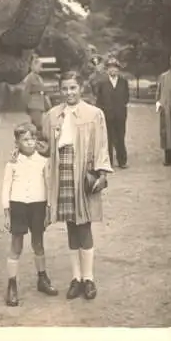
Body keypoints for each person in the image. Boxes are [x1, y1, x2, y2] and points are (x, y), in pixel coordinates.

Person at [42, 71, 113, 300]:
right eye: (65, 89)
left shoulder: (94, 114)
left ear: (80, 88)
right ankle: (76, 278)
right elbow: (45, 146)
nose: (69, 93)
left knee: (85, 224)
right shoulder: (53, 115)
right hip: (62, 168)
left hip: (84, 170)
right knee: (71, 224)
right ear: (59, 90)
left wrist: (101, 172)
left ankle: (89, 278)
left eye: (73, 88)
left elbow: (102, 145)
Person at [2, 122, 58, 307]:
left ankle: (42, 279)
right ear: (17, 142)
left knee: (38, 243)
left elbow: (49, 185)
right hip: (18, 205)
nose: (30, 142)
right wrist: (7, 212)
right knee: (16, 245)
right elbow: (6, 187)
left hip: (38, 205)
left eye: (33, 138)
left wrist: (49, 207)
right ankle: (12, 285)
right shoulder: (12, 162)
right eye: (25, 139)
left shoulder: (43, 161)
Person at [94, 57, 130, 168]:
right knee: (108, 138)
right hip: (107, 114)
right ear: (107, 70)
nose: (113, 70)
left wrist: (120, 107)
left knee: (120, 137)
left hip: (120, 114)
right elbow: (99, 99)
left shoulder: (123, 82)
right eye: (110, 68)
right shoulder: (102, 83)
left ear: (118, 70)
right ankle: (108, 161)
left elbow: (126, 97)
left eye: (115, 68)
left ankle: (122, 161)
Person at [23, 54, 52, 133]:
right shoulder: (30, 78)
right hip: (33, 104)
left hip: (40, 105)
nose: (40, 69)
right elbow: (26, 92)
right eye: (39, 66)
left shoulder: (39, 78)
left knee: (37, 126)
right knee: (38, 126)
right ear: (33, 66)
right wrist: (26, 105)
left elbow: (43, 90)